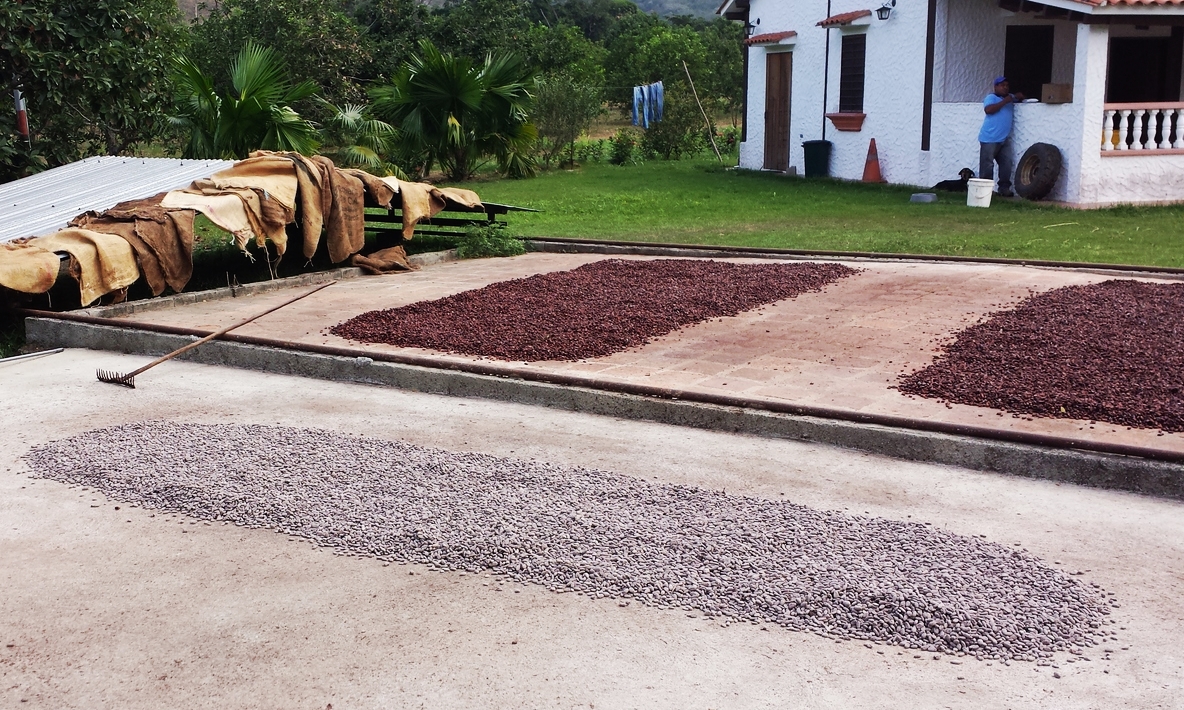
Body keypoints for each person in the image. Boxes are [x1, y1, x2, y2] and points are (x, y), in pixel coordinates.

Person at [978, 76, 1024, 197]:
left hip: (1004, 139)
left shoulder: (1009, 100)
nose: (1005, 87)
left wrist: (1018, 97)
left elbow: (1019, 98)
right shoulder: (991, 98)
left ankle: (1004, 188)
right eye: (1002, 85)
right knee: (987, 165)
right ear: (996, 87)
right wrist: (1005, 101)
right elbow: (989, 110)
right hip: (989, 138)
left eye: (1007, 85)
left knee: (1006, 164)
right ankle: (986, 191)